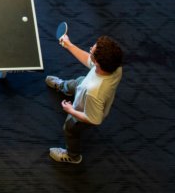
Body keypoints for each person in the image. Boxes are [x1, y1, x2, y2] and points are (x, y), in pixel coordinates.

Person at [45, 33, 123, 164]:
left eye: (91, 50)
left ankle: (72, 156)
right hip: (84, 86)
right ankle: (63, 86)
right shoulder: (116, 68)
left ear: (97, 62)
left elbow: (94, 119)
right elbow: (88, 60)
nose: (91, 48)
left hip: (84, 106)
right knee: (78, 82)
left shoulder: (94, 92)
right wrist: (68, 45)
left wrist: (71, 110)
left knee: (70, 128)